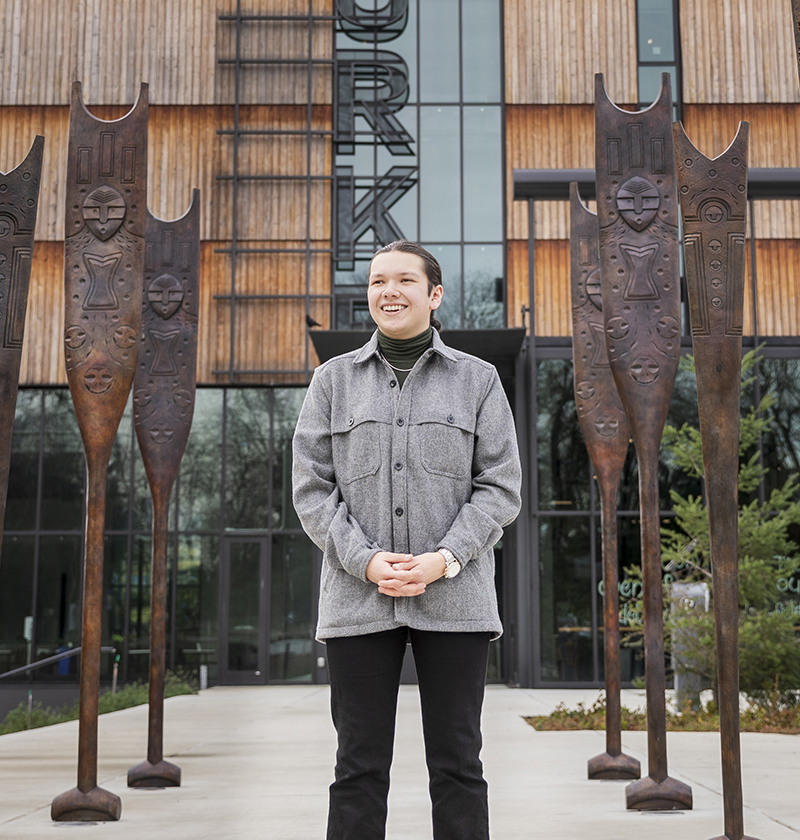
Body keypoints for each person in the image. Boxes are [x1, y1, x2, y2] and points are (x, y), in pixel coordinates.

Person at [292, 240, 522, 840]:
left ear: (434, 294)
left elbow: (500, 487)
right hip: (356, 603)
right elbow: (310, 490)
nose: (388, 292)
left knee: (458, 767)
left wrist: (443, 560)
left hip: (456, 603)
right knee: (357, 769)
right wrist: (366, 563)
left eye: (403, 281)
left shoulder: (479, 381)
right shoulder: (331, 382)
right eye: (376, 282)